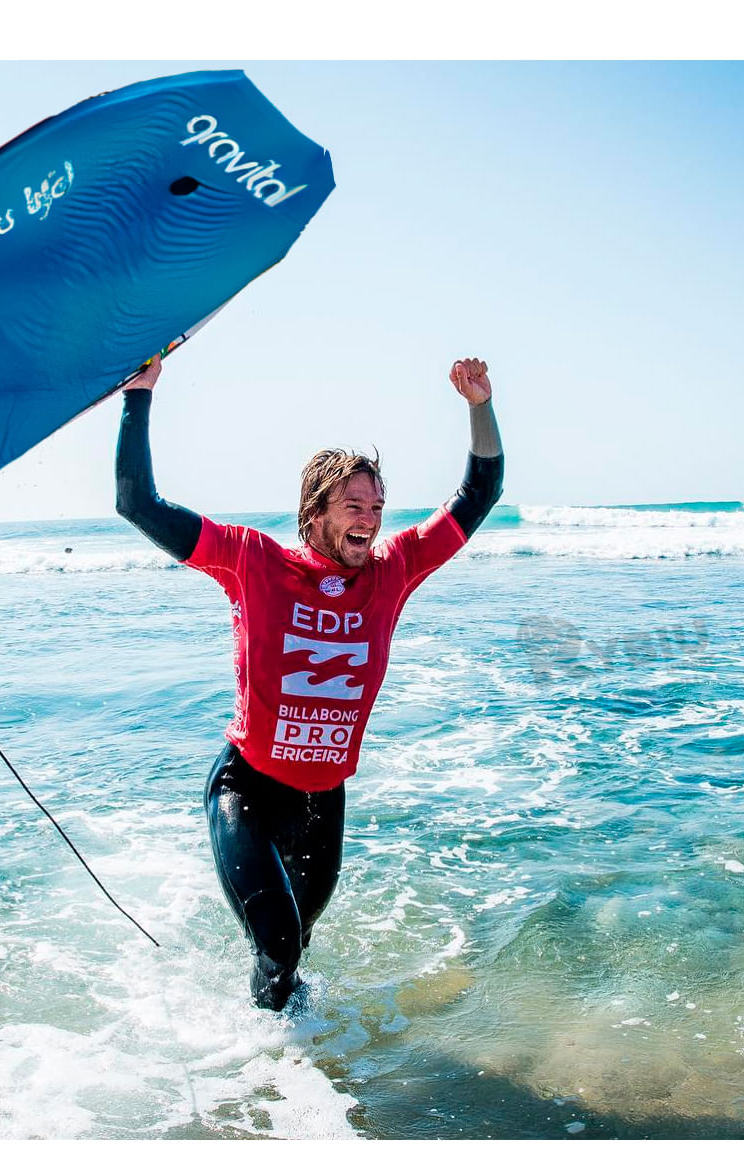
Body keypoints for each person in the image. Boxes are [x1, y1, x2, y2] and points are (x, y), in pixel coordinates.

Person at [116, 356, 504, 1010]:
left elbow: (480, 492)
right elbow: (136, 503)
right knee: (280, 942)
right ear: (316, 511)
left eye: (377, 507)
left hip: (323, 804)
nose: (370, 520)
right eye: (354, 506)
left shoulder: (393, 570)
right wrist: (137, 397)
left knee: (292, 953)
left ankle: (285, 1062)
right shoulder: (251, 560)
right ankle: (272, 1073)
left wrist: (478, 406)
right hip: (249, 788)